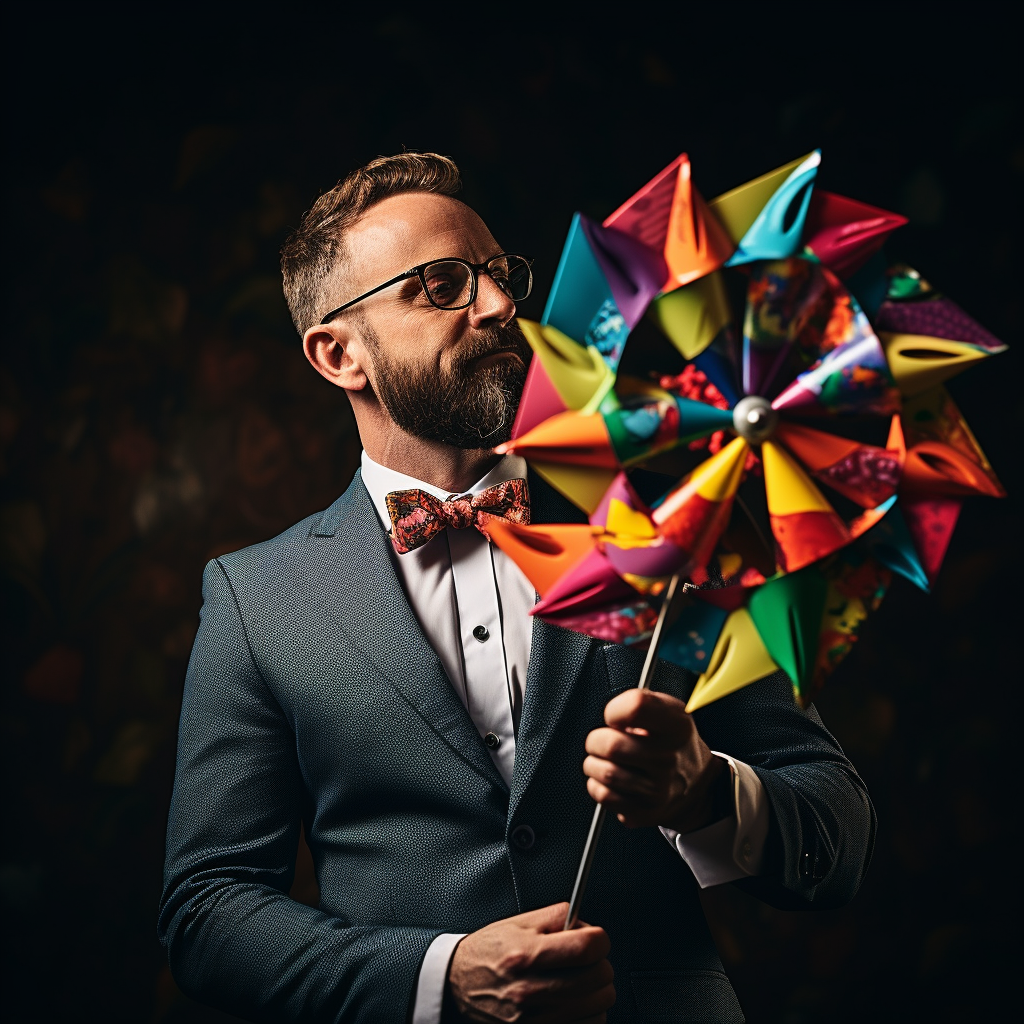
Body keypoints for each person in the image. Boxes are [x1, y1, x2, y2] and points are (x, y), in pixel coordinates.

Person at [158, 152, 875, 1023]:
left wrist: (706, 792)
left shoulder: (667, 526)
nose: (499, 307)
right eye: (442, 285)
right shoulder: (255, 599)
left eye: (499, 276)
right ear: (339, 351)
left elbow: (835, 837)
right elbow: (210, 913)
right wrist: (443, 976)